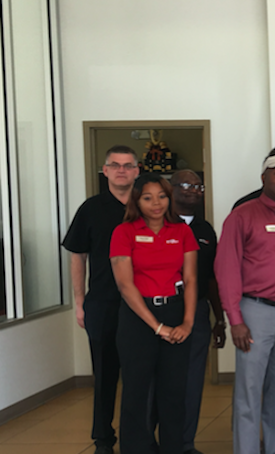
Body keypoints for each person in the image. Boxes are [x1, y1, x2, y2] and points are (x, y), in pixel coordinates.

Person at [215, 153, 275, 454]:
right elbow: (226, 269)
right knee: (249, 393)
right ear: (263, 177)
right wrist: (235, 319)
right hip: (255, 312)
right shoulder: (242, 215)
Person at [110, 173, 199, 454]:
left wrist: (187, 322)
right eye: (147, 198)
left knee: (173, 392)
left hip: (174, 312)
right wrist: (157, 327)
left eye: (161, 196)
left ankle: (173, 448)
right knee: (137, 391)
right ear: (137, 200)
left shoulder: (181, 231)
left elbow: (191, 279)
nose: (156, 203)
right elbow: (125, 285)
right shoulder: (123, 232)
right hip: (138, 317)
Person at [62, 145, 140, 454]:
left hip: (144, 305)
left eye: (128, 165)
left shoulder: (150, 205)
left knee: (141, 376)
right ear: (105, 171)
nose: (122, 170)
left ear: (137, 170)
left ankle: (141, 437)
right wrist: (80, 303)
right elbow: (77, 256)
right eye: (115, 165)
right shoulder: (91, 209)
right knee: (106, 376)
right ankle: (104, 440)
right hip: (104, 305)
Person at [170, 170, 225, 454]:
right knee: (160, 380)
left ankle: (186, 444)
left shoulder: (205, 230)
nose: (193, 190)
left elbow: (212, 278)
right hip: (165, 310)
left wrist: (220, 319)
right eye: (187, 185)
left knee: (193, 381)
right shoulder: (158, 224)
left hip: (200, 311)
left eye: (198, 186)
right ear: (171, 189)